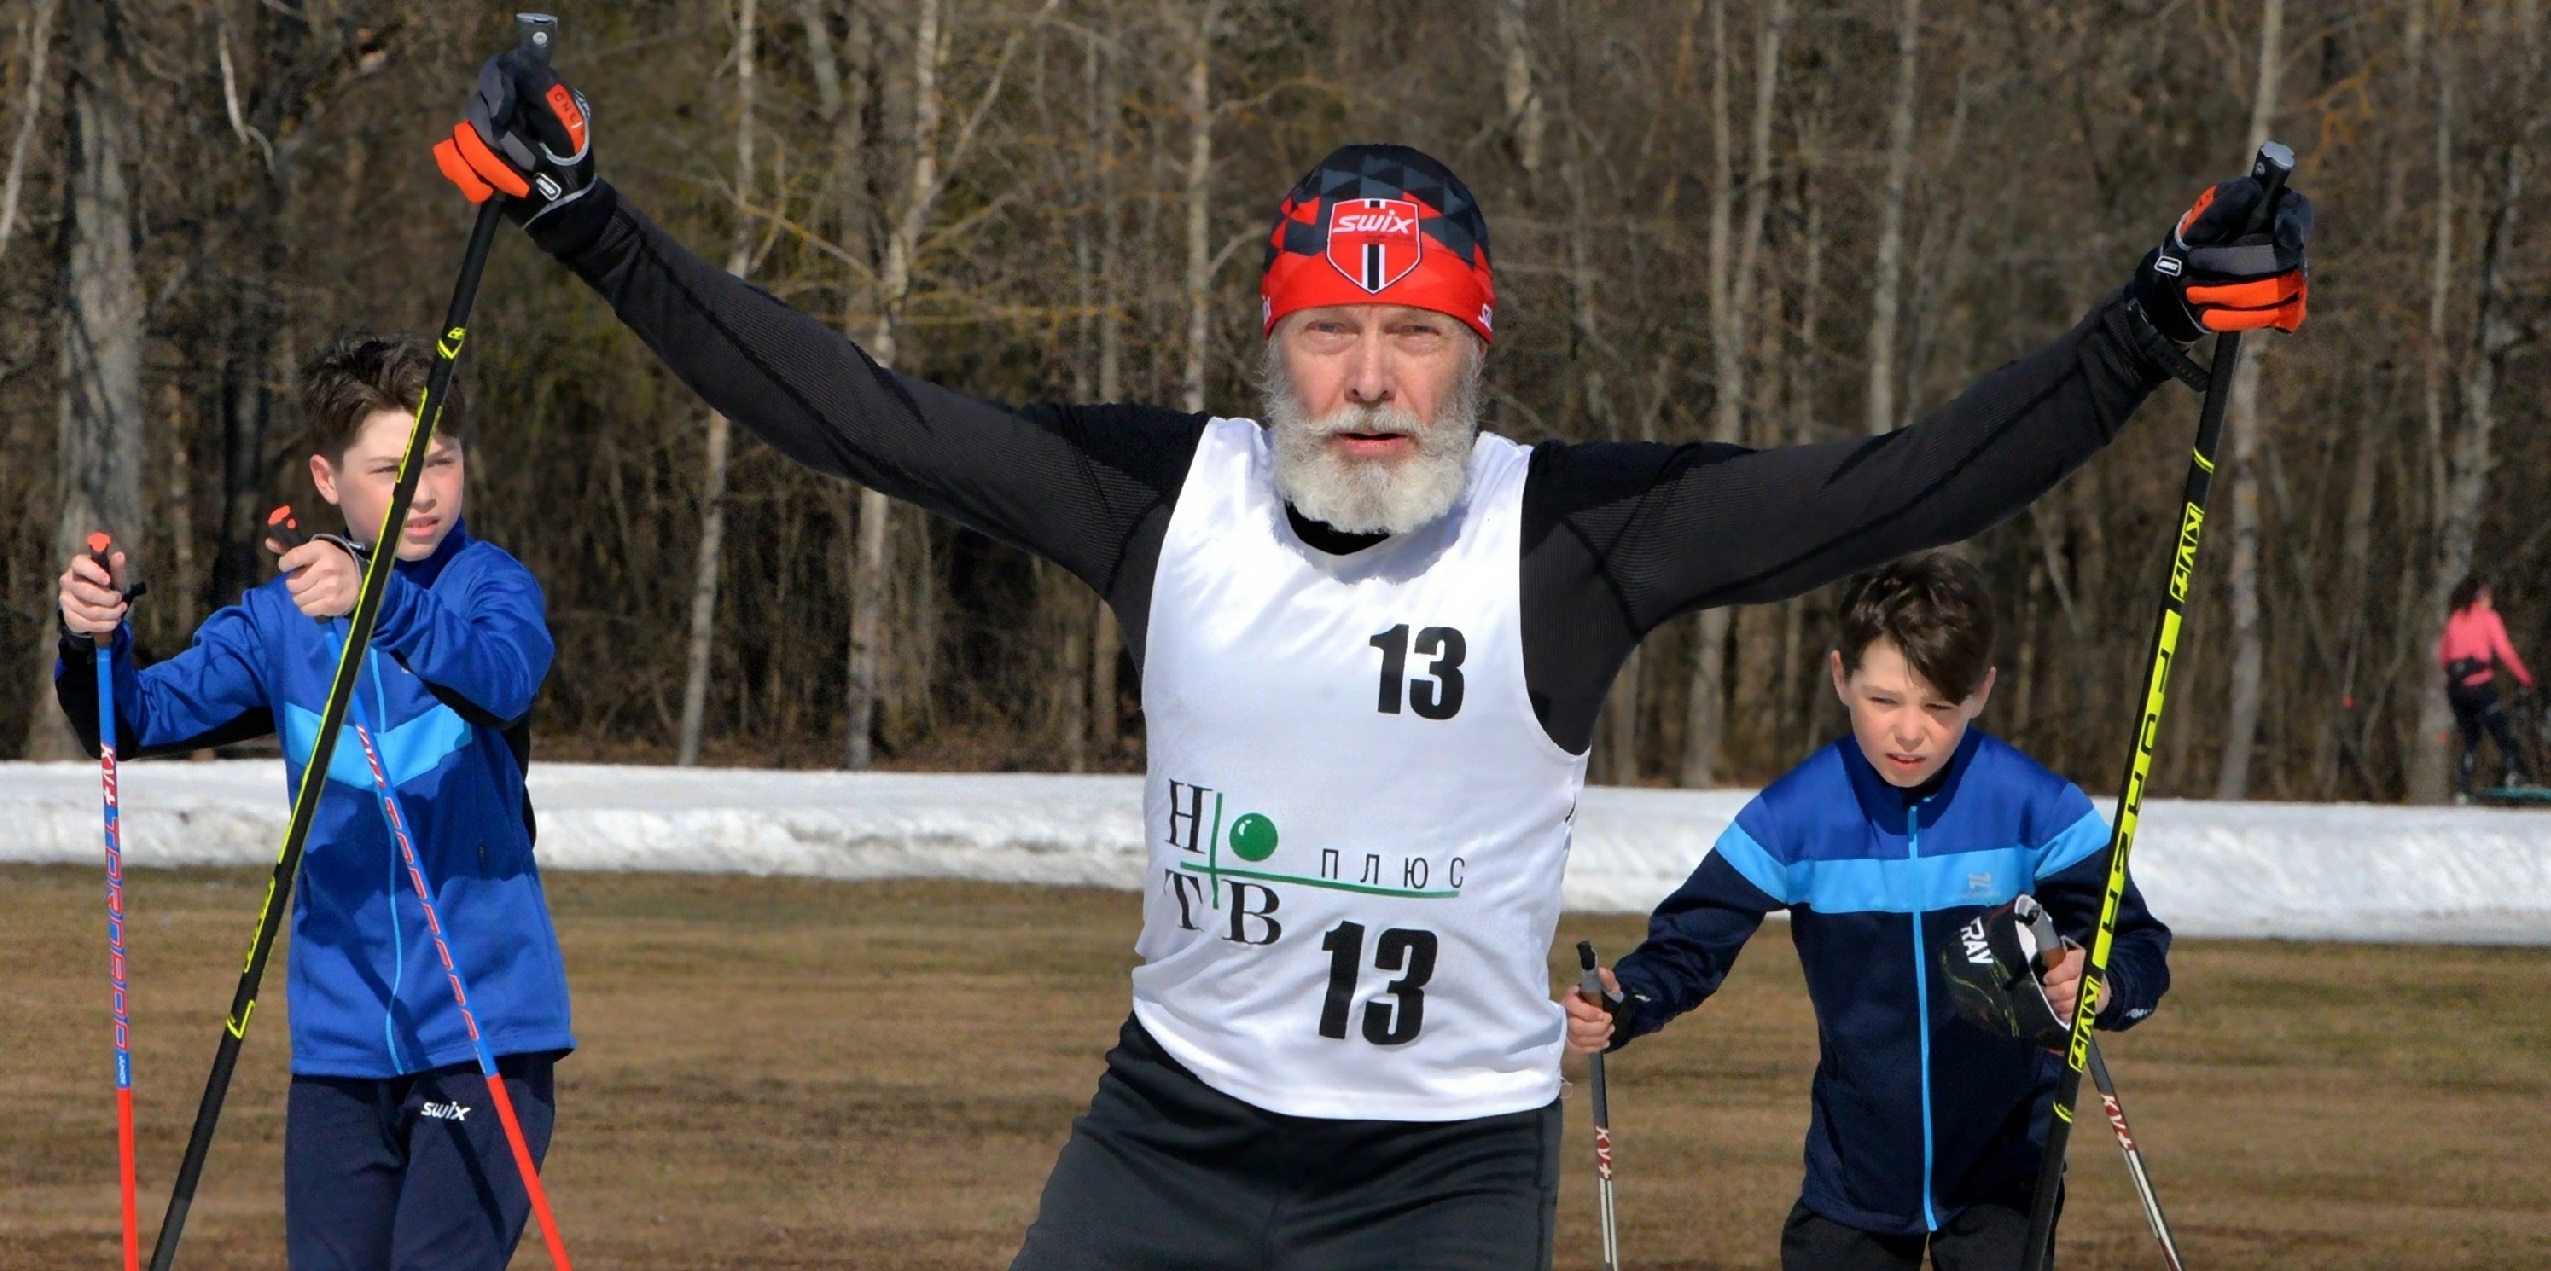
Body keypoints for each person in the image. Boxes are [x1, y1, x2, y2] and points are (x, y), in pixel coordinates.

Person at [433, 45, 2307, 1271]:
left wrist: (2148, 324)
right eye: (1333, 330)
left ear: (1473, 351)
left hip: (1439, 1177)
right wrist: (591, 225)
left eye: (1416, 334)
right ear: (1274, 344)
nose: (1372, 381)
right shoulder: (1168, 502)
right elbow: (848, 408)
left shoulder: (1568, 532)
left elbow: (1907, 477)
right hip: (1168, 1129)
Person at [53, 336, 569, 1271]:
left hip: (483, 1027)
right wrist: (92, 639)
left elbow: (505, 677)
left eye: (441, 463)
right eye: (391, 469)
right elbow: (131, 719)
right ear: (328, 478)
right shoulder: (276, 620)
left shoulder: (488, 586)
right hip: (339, 1038)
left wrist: (377, 603)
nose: (423, 491)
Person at [1564, 552, 2173, 1271]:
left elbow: (2132, 943)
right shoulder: (1796, 813)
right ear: (1839, 677)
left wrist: (2098, 984)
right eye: (1883, 700)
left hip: (2004, 1169)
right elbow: (1689, 942)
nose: (1908, 731)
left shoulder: (2034, 805)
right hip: (1853, 1173)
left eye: (1938, 706)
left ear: (1980, 692)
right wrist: (1625, 999)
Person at [2437, 578, 2534, 795]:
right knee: (2501, 731)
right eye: (2488, 596)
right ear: (2480, 597)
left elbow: (2443, 658)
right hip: (2479, 687)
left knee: (2471, 737)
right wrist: (2524, 677)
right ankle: (2512, 775)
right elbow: (2505, 652)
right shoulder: (2489, 619)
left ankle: (2463, 783)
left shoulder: (2455, 619)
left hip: (2456, 690)